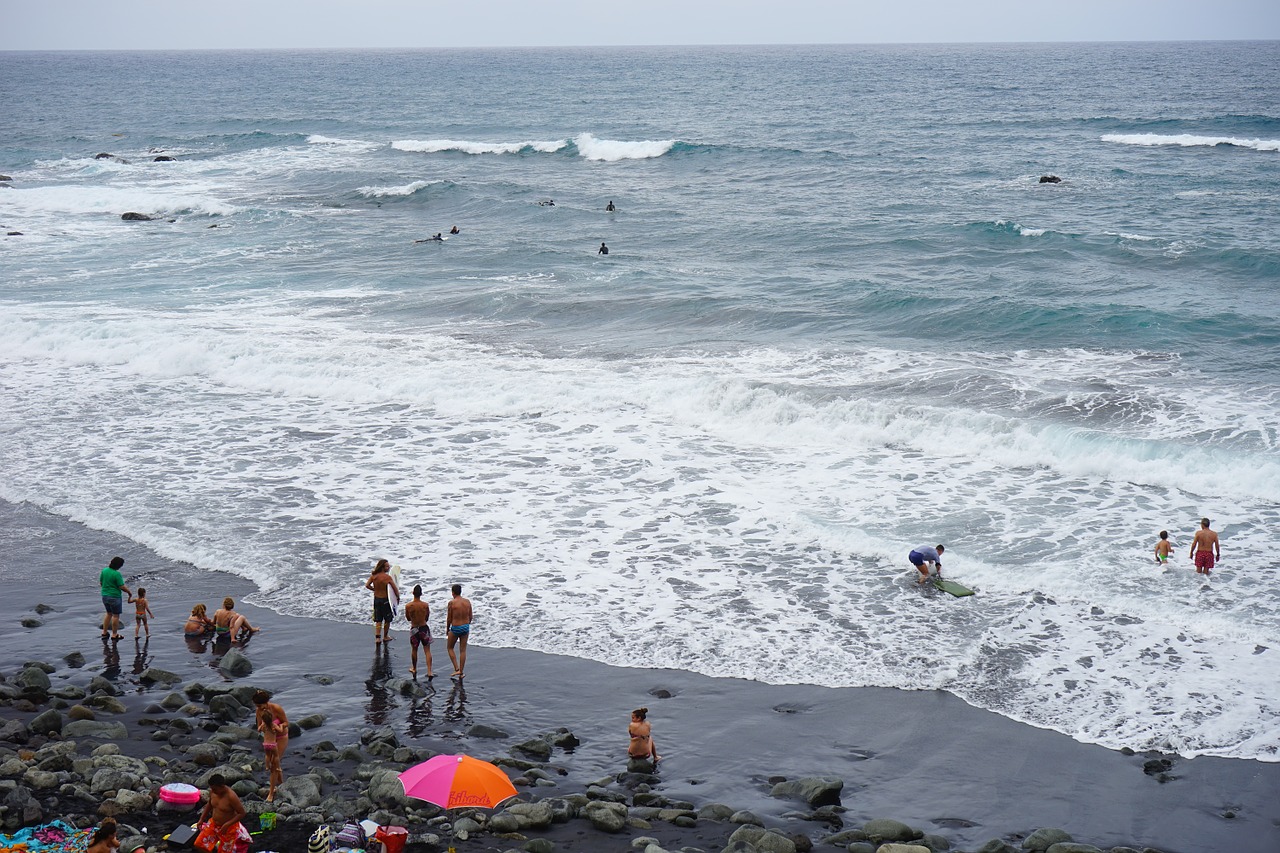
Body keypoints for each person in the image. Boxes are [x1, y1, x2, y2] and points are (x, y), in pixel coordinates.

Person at [197, 773, 248, 853]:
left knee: (224, 851)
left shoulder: (231, 797)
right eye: (212, 789)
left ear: (222, 786)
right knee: (200, 844)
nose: (213, 791)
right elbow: (209, 805)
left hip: (228, 827)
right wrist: (201, 819)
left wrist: (227, 824)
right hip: (213, 824)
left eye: (215, 789)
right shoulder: (213, 792)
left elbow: (242, 813)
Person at [253, 691, 289, 800]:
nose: (258, 708)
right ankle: (281, 784)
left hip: (281, 737)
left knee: (274, 763)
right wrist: (263, 727)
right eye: (256, 706)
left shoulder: (276, 708)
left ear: (266, 702)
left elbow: (286, 722)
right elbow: (259, 726)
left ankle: (271, 792)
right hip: (269, 740)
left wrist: (278, 726)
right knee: (274, 763)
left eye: (260, 705)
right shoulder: (258, 711)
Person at [365, 559, 400, 644]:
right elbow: (395, 589)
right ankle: (385, 636)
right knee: (387, 619)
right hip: (385, 600)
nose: (389, 568)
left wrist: (375, 589)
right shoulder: (387, 577)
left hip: (377, 599)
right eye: (387, 566)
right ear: (382, 567)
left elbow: (367, 585)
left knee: (378, 619)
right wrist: (397, 598)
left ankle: (377, 638)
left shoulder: (374, 576)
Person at [99, 556, 132, 640]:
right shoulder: (116, 574)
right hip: (114, 596)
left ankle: (104, 632)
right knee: (115, 616)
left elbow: (101, 582)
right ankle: (114, 634)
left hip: (105, 596)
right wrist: (129, 592)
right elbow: (122, 586)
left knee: (108, 613)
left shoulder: (104, 570)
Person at [405, 583, 433, 678]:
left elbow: (408, 618)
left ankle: (414, 668)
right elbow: (427, 617)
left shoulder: (408, 606)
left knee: (414, 649)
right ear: (421, 594)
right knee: (427, 650)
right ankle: (429, 671)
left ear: (413, 593)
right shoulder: (425, 605)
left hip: (414, 629)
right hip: (424, 628)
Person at [446, 583, 472, 679]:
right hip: (465, 627)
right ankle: (461, 672)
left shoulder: (452, 603)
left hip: (456, 628)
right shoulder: (467, 602)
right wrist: (466, 625)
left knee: (450, 648)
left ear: (453, 593)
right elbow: (471, 616)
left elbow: (449, 618)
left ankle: (456, 669)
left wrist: (447, 629)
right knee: (463, 650)